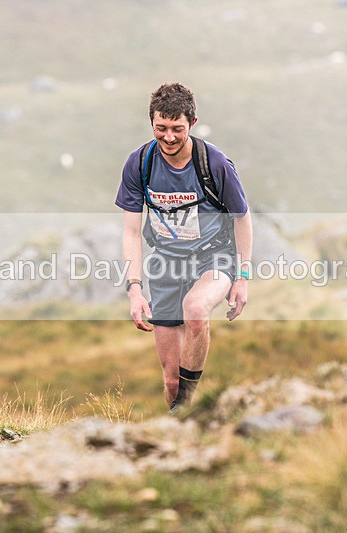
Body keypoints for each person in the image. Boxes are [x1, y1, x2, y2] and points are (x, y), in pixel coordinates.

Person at [115, 83, 252, 412]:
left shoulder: (213, 163)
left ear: (191, 122)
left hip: (213, 257)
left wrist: (243, 276)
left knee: (195, 311)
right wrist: (134, 289)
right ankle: (181, 424)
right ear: (152, 124)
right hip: (166, 265)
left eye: (177, 129)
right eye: (160, 128)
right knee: (171, 380)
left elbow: (242, 219)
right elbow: (132, 232)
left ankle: (185, 408)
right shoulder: (140, 164)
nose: (169, 137)